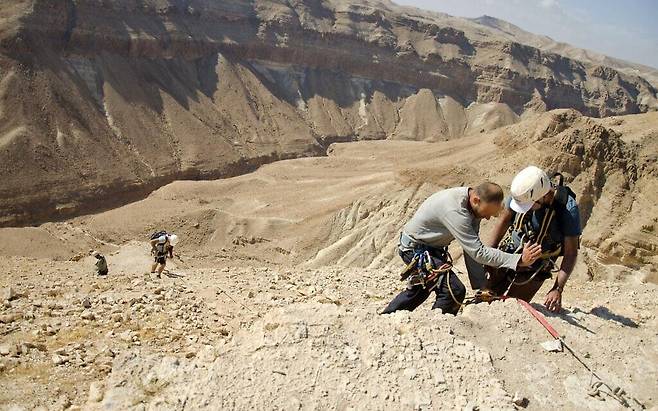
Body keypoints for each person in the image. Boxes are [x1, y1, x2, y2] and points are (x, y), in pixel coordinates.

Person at [381, 182, 542, 315]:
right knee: (453, 290)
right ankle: (440, 329)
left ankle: (388, 317)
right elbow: (478, 252)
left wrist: (481, 285)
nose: (486, 218)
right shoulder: (456, 211)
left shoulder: (473, 207)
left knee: (421, 289)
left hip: (429, 249)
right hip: (416, 249)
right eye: (486, 213)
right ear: (476, 200)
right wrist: (518, 260)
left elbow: (470, 249)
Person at [484, 166, 581, 313]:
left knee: (512, 308)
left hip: (536, 268)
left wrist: (557, 288)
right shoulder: (523, 192)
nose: (527, 209)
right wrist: (489, 255)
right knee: (485, 299)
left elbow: (571, 253)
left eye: (529, 206)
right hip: (509, 255)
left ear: (543, 196)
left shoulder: (567, 209)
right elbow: (503, 222)